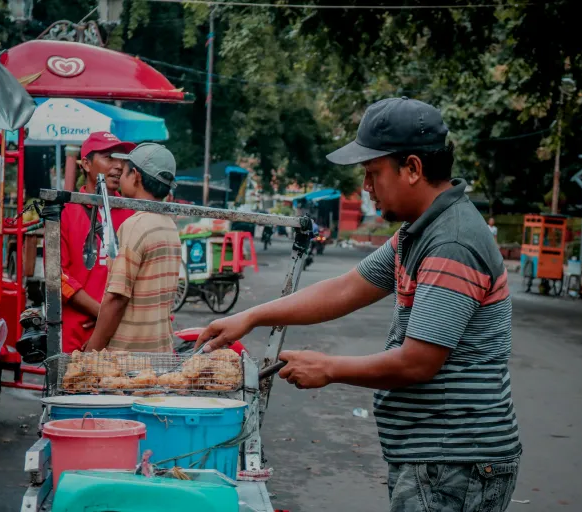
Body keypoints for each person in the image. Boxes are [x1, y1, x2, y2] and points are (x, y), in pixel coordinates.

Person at [196, 97, 521, 512]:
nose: (365, 188)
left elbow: (418, 362)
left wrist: (328, 367)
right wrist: (251, 316)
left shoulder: (451, 241)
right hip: (436, 454)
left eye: (372, 173)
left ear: (413, 169)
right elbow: (348, 288)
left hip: (456, 457)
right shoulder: (417, 232)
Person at [85, 143, 182, 353]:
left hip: (128, 359)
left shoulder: (135, 225)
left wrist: (92, 349)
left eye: (125, 170)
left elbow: (117, 298)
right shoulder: (168, 224)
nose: (120, 174)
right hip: (159, 353)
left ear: (136, 175)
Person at [59, 132, 135, 353]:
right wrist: (102, 313)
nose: (119, 165)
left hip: (123, 331)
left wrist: (109, 318)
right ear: (86, 163)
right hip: (78, 330)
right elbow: (58, 275)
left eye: (121, 158)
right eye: (109, 157)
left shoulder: (132, 212)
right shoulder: (66, 212)